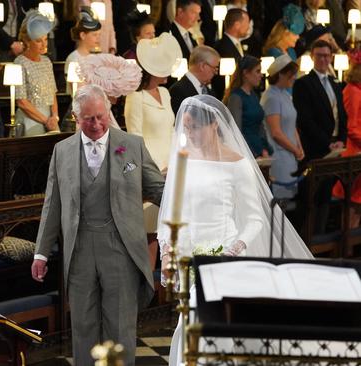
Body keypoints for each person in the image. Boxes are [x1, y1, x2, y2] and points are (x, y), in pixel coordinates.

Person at [157, 94, 314, 366]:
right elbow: (171, 212)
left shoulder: (237, 164)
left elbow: (255, 219)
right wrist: (167, 251)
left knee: (206, 323)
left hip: (225, 254)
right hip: (189, 254)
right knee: (191, 320)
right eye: (186, 126)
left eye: (195, 127)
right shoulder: (182, 161)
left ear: (214, 125)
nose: (189, 133)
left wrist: (234, 249)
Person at [32, 84, 165, 366]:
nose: (96, 124)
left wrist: (189, 210)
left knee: (119, 328)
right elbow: (52, 204)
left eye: (101, 116)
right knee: (83, 328)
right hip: (79, 250)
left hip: (121, 248)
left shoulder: (131, 145)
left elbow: (159, 189)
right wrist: (41, 253)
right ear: (76, 119)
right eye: (88, 119)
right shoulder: (62, 150)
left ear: (109, 112)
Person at [125, 32, 181, 266]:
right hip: (151, 170)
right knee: (150, 231)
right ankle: (147, 289)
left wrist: (175, 162)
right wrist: (154, 169)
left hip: (172, 166)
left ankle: (170, 289)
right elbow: (134, 138)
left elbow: (172, 130)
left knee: (171, 229)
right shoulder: (135, 97)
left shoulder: (166, 93)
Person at [294, 39, 347, 233]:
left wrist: (341, 138)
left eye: (327, 55)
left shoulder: (335, 83)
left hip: (335, 147)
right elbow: (306, 121)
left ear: (331, 57)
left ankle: (321, 236)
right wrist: (327, 143)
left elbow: (342, 114)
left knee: (327, 196)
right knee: (313, 198)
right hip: (315, 149)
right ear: (312, 57)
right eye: (320, 56)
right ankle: (309, 239)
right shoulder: (303, 84)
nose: (324, 59)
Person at [260, 55, 302, 199]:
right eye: (291, 75)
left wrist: (299, 147)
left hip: (290, 153)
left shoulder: (285, 95)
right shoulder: (271, 97)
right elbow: (276, 132)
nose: (294, 78)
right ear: (281, 75)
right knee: (281, 203)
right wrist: (295, 149)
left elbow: (292, 124)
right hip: (280, 156)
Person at [15, 10, 59, 136]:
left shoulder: (47, 62)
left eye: (45, 39)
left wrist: (54, 117)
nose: (44, 44)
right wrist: (45, 121)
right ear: (28, 41)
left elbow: (53, 94)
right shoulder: (20, 62)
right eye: (39, 40)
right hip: (29, 118)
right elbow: (22, 102)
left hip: (50, 119)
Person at [224, 56, 272, 159]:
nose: (261, 75)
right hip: (247, 152)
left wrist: (264, 149)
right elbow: (237, 131)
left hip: (259, 149)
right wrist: (253, 154)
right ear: (246, 73)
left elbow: (260, 126)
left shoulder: (253, 95)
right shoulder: (236, 97)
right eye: (257, 71)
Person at [333, 49, 361, 227]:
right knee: (353, 202)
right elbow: (351, 126)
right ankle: (346, 250)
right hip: (354, 150)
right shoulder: (353, 91)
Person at [212, 8, 250, 101]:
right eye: (247, 23)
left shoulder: (238, 44)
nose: (249, 27)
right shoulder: (221, 47)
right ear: (237, 25)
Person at [169, 45, 220, 114]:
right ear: (202, 66)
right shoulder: (177, 90)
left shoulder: (208, 90)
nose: (216, 72)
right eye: (214, 68)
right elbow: (180, 121)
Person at [64, 7, 101, 93]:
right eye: (94, 35)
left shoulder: (95, 57)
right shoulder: (73, 59)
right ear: (83, 35)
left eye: (99, 35)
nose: (98, 38)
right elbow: (77, 91)